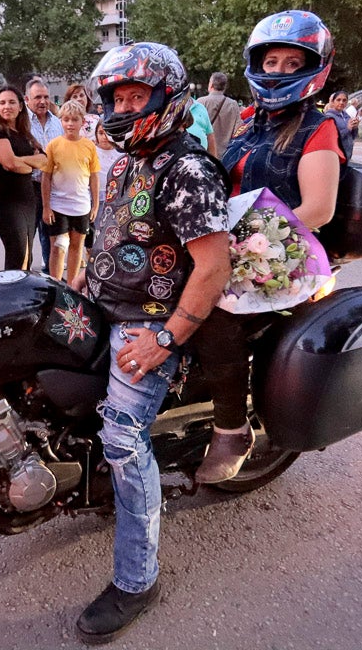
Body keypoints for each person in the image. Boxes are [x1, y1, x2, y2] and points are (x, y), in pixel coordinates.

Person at [71, 42, 230, 643]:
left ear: (166, 99)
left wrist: (167, 338)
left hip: (149, 322)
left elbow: (213, 266)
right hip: (105, 305)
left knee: (122, 434)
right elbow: (108, 235)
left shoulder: (186, 169)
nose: (123, 108)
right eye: (116, 98)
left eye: (136, 97)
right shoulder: (124, 162)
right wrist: (81, 278)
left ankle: (138, 580)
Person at [198, 9, 345, 484]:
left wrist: (247, 242)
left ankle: (231, 427)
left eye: (290, 63)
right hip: (240, 242)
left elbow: (318, 209)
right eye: (271, 62)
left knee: (211, 305)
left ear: (313, 68)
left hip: (287, 253)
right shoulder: (244, 121)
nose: (278, 71)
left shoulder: (317, 129)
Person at [0, 85, 47, 270]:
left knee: (27, 253)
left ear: (21, 106)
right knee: (17, 252)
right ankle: (9, 295)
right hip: (5, 202)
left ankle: (21, 293)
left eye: (11, 102)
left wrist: (22, 163)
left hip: (27, 200)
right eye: (2, 103)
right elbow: (10, 163)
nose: (6, 106)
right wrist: (29, 165)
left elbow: (44, 160)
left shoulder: (24, 133)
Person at [40, 101, 99, 282]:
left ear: (83, 122)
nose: (70, 124)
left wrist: (95, 205)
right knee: (58, 246)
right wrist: (46, 206)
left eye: (75, 119)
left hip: (81, 205)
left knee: (76, 246)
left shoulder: (89, 146)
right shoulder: (53, 145)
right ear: (61, 121)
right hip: (58, 205)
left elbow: (94, 177)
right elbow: (46, 177)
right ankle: (56, 285)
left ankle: (72, 287)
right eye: (66, 120)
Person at [26, 78, 62, 273]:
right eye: (37, 97)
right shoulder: (20, 123)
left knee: (52, 236)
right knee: (27, 237)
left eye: (46, 97)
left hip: (54, 188)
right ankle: (23, 277)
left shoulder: (57, 123)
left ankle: (50, 279)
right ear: (27, 99)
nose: (42, 101)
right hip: (29, 188)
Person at [197, 72, 242, 159]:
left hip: (205, 155)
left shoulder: (201, 102)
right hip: (226, 156)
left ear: (211, 85)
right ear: (224, 87)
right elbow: (238, 129)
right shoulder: (233, 104)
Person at [324, 90, 359, 160]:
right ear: (333, 102)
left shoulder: (347, 116)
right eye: (338, 100)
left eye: (344, 100)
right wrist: (347, 128)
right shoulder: (329, 117)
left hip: (347, 153)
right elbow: (330, 137)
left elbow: (353, 136)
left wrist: (355, 127)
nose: (341, 102)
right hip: (335, 154)